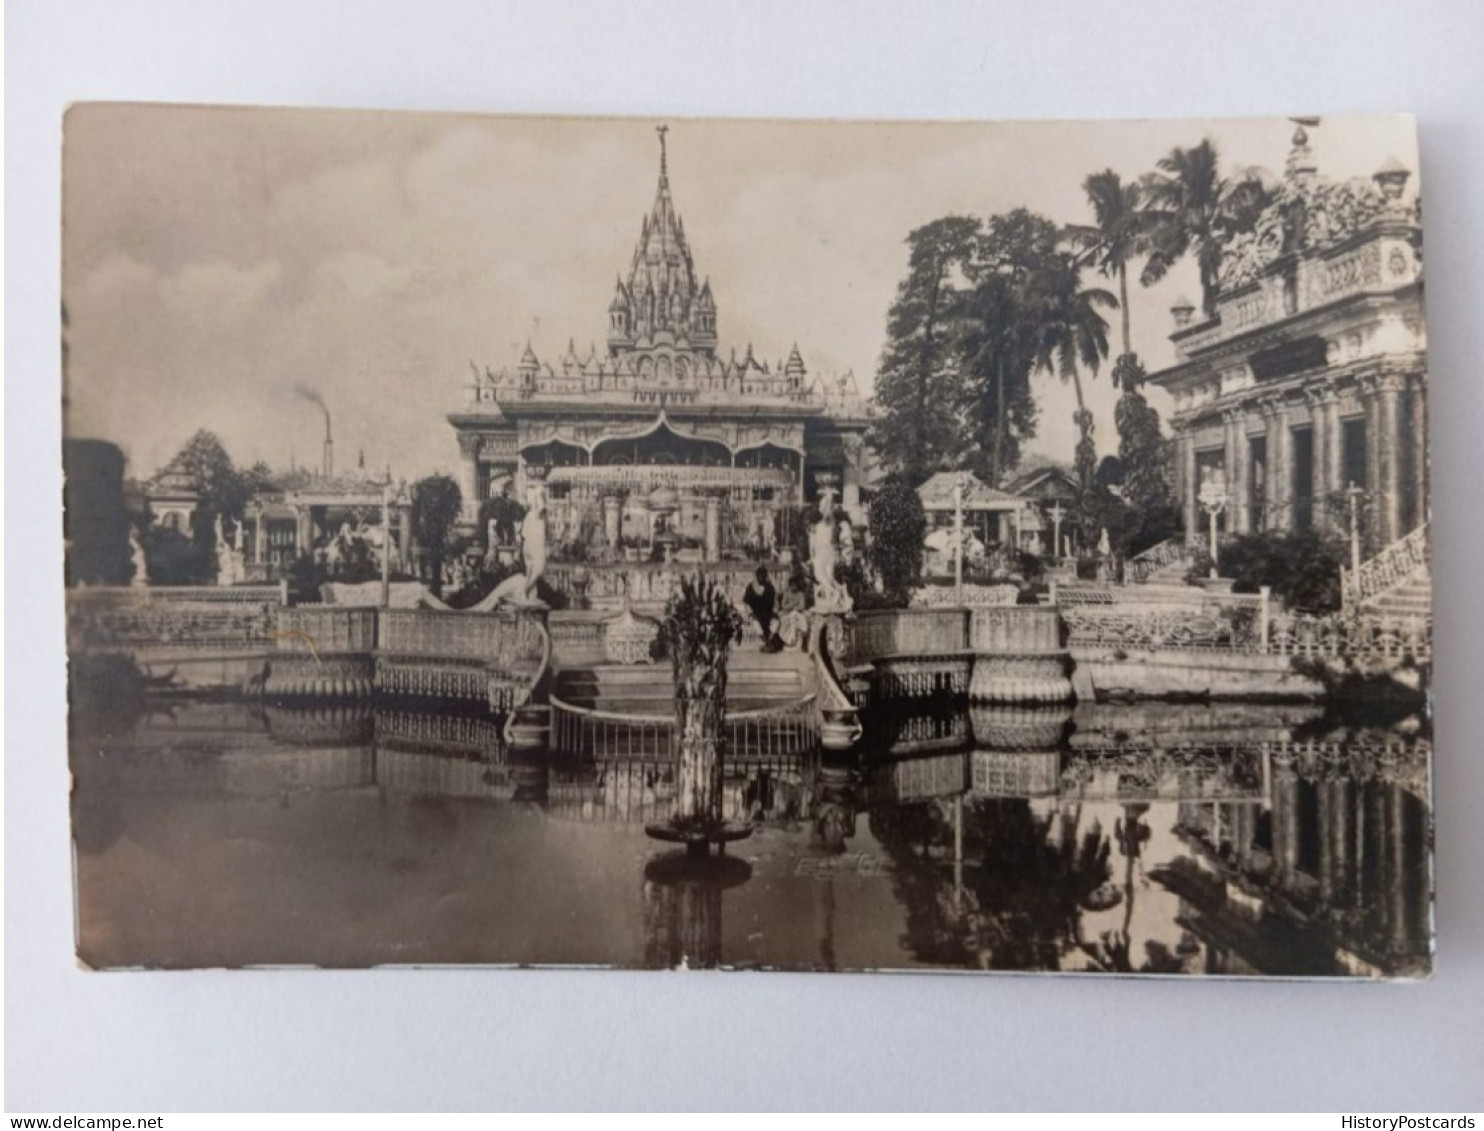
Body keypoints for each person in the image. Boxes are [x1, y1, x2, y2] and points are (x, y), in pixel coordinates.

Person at [742, 567, 777, 650]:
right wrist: (750, 613)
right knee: (755, 623)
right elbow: (746, 602)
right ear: (756, 576)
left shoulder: (770, 587)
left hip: (767, 613)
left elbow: (774, 602)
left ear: (766, 576)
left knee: (777, 622)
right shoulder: (750, 587)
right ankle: (767, 643)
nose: (761, 577)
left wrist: (774, 612)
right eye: (759, 575)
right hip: (755, 613)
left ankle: (768, 642)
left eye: (763, 575)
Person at [777, 575, 809, 649]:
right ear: (790, 585)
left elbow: (802, 606)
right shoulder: (787, 594)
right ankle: (787, 641)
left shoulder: (800, 594)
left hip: (797, 613)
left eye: (795, 585)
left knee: (801, 620)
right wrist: (794, 605)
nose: (794, 587)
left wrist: (792, 607)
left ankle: (801, 641)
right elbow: (783, 606)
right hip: (788, 613)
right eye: (792, 585)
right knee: (785, 620)